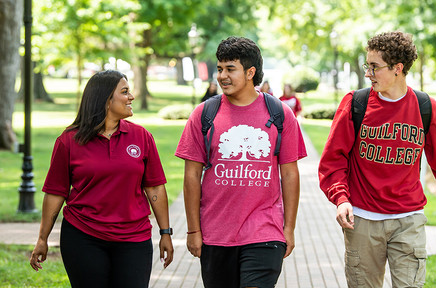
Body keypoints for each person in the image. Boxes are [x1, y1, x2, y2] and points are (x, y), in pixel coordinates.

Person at [318, 31, 436, 288]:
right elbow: (333, 159)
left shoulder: (425, 107)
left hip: (408, 220)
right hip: (362, 220)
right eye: (368, 66)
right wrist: (341, 198)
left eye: (375, 67)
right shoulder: (356, 103)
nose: (368, 73)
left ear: (398, 68)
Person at [175, 36, 307, 288]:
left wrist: (288, 228)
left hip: (264, 231)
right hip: (216, 233)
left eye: (230, 69)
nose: (222, 75)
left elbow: (289, 174)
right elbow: (191, 176)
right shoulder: (204, 114)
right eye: (220, 68)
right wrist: (193, 230)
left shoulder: (279, 114)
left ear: (250, 72)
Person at [29, 70, 174, 288]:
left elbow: (154, 188)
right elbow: (56, 193)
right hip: (83, 236)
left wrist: (165, 233)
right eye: (125, 92)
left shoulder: (142, 137)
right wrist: (42, 239)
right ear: (106, 99)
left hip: (134, 238)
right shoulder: (69, 140)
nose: (131, 97)